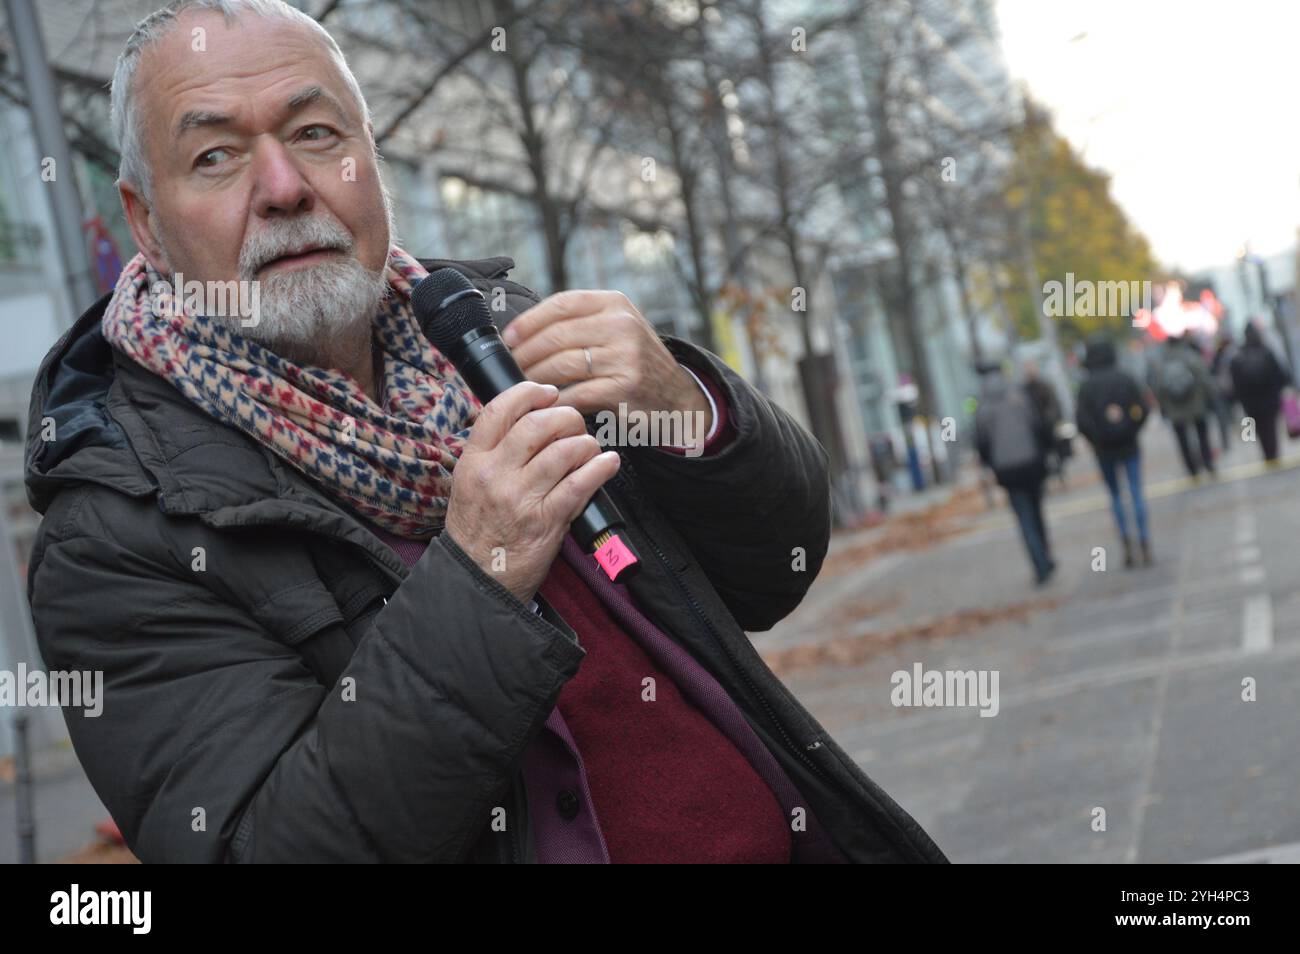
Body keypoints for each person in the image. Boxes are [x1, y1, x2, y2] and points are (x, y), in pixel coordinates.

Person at [25, 0, 946, 865]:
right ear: (143, 219)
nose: (282, 187)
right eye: (216, 157)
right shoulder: (116, 528)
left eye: (315, 135)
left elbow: (775, 566)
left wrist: (684, 404)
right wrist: (480, 577)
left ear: (371, 162)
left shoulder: (493, 333)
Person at [975, 363, 1056, 585]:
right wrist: (1047, 453)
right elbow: (1038, 426)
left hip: (1007, 470)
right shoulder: (1019, 397)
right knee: (1037, 512)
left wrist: (991, 464)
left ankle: (1040, 564)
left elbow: (982, 442)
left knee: (1024, 518)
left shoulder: (983, 408)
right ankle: (1046, 555)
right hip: (1031, 464)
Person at [1074, 337, 1152, 567]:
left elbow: (1081, 420)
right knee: (1136, 492)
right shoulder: (1125, 379)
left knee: (1116, 496)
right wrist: (1131, 428)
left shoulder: (1086, 386)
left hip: (1104, 450)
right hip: (1129, 444)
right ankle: (1144, 538)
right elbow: (1144, 408)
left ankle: (1126, 539)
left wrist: (1097, 437)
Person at [1151, 333, 1216, 478]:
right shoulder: (1191, 356)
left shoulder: (1161, 361)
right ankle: (1208, 463)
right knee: (1202, 435)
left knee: (1182, 440)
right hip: (1196, 403)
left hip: (1174, 408)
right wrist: (1209, 396)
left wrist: (1163, 405)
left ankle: (1192, 469)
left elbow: (1158, 386)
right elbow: (1204, 377)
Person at [1229, 322, 1293, 463]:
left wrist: (1240, 399)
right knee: (1270, 427)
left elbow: (1235, 382)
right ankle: (1273, 454)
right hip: (1270, 400)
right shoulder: (1266, 352)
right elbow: (1280, 375)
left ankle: (1266, 453)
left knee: (1257, 429)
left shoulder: (1238, 356)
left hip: (1250, 403)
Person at [1208, 333, 1238, 454]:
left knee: (1223, 421)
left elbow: (1212, 373)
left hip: (1221, 392)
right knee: (1241, 416)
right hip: (1232, 391)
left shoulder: (1217, 356)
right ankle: (1247, 438)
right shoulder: (1234, 354)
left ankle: (1227, 444)